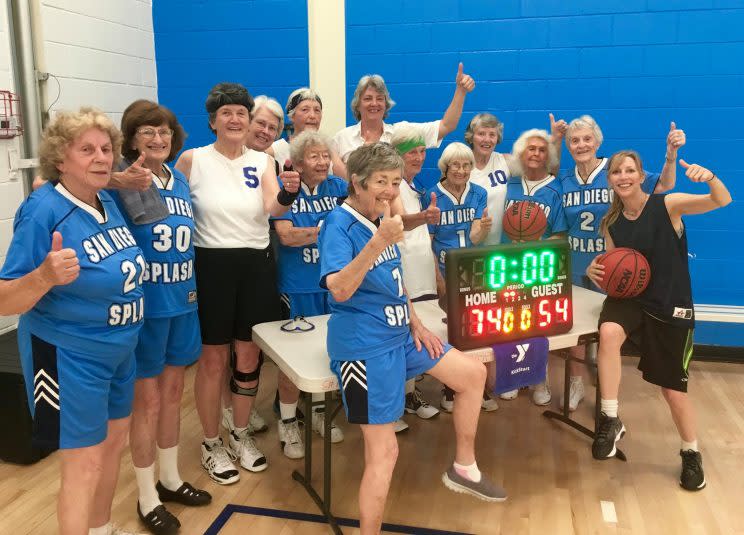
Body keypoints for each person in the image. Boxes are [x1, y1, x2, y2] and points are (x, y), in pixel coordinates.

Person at [319, 142, 506, 534]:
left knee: (473, 375)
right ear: (357, 182)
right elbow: (338, 289)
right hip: (364, 350)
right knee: (385, 453)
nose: (390, 190)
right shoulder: (339, 223)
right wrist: (378, 242)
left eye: (394, 182)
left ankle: (464, 469)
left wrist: (415, 321)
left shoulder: (381, 216)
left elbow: (394, 279)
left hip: (401, 334)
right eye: (381, 182)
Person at [0, 108, 145, 535]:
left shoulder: (104, 199)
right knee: (83, 464)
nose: (101, 158)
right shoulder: (43, 209)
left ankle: (100, 529)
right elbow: (5, 299)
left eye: (106, 149)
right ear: (61, 159)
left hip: (119, 351)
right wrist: (44, 276)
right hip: (68, 356)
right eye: (87, 150)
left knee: (112, 447)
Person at [175, 83, 299, 483]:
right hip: (210, 264)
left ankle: (240, 435)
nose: (234, 119)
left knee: (248, 358)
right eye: (226, 113)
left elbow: (270, 207)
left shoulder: (264, 163)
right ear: (213, 121)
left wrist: (288, 195)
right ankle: (212, 443)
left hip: (256, 264)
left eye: (240, 113)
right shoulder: (192, 160)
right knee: (212, 360)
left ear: (248, 121)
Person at [586, 151, 731, 491]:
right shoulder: (611, 223)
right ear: (609, 180)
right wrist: (595, 271)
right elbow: (611, 267)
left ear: (640, 175)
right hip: (632, 300)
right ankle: (609, 417)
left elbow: (722, 200)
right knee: (607, 331)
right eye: (616, 172)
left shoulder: (667, 205)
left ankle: (690, 452)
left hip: (670, 305)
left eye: (629, 170)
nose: (623, 176)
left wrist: (709, 177)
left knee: (672, 392)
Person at [108, 100, 210, 534]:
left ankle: (169, 478)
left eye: (164, 130)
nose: (158, 138)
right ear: (131, 139)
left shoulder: (180, 179)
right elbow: (60, 182)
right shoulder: (120, 181)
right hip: (147, 308)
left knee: (172, 396)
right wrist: (114, 179)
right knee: (145, 403)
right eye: (147, 131)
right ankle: (146, 494)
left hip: (183, 302)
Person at [559, 116, 684, 411]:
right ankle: (576, 382)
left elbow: (665, 183)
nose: (581, 145)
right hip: (578, 261)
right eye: (574, 141)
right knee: (575, 331)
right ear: (568, 147)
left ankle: (606, 392)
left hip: (616, 265)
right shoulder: (563, 180)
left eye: (587, 139)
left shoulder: (615, 171)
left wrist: (671, 155)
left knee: (607, 330)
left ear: (597, 142)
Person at [272, 130, 348, 457]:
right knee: (294, 359)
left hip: (329, 284)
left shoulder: (339, 188)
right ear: (299, 163)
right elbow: (286, 237)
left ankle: (319, 413)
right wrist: (329, 232)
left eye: (326, 156)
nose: (322, 162)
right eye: (315, 156)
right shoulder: (286, 191)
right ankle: (288, 423)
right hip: (297, 285)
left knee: (325, 353)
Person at [422, 142, 497, 412]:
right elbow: (427, 242)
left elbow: (476, 237)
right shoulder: (432, 195)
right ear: (445, 167)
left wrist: (484, 229)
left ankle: (478, 386)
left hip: (473, 269)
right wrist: (437, 278)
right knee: (450, 331)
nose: (461, 170)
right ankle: (450, 389)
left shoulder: (479, 193)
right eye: (456, 165)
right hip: (444, 269)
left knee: (476, 329)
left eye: (466, 165)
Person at [502, 129, 568, 405]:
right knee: (507, 325)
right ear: (521, 153)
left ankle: (539, 378)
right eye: (531, 149)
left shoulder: (555, 188)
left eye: (542, 150)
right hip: (506, 264)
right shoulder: (508, 184)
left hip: (540, 265)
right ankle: (511, 376)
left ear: (548, 156)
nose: (536, 154)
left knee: (538, 325)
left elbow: (560, 233)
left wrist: (536, 244)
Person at [388, 126, 442, 426]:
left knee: (418, 338)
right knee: (402, 337)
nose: (419, 157)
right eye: (413, 152)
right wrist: (423, 217)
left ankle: (409, 395)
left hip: (422, 271)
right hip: (404, 272)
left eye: (422, 152)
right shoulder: (392, 186)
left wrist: (435, 271)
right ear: (398, 154)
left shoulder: (414, 185)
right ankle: (394, 404)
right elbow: (397, 223)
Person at [332, 63, 475, 163]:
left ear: (386, 104)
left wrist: (460, 91)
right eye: (368, 99)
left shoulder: (401, 133)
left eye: (380, 99)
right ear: (358, 105)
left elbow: (447, 126)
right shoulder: (342, 138)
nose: (374, 103)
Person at [465, 112, 567, 247]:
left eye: (492, 135)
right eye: (481, 134)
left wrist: (556, 140)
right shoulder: (462, 168)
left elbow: (546, 169)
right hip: (471, 242)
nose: (487, 139)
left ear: (498, 138)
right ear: (471, 137)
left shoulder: (505, 161)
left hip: (500, 245)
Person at [268, 87, 347, 178]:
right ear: (291, 116)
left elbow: (346, 181)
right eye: (305, 110)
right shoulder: (275, 149)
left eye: (317, 110)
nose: (312, 116)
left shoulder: (329, 148)